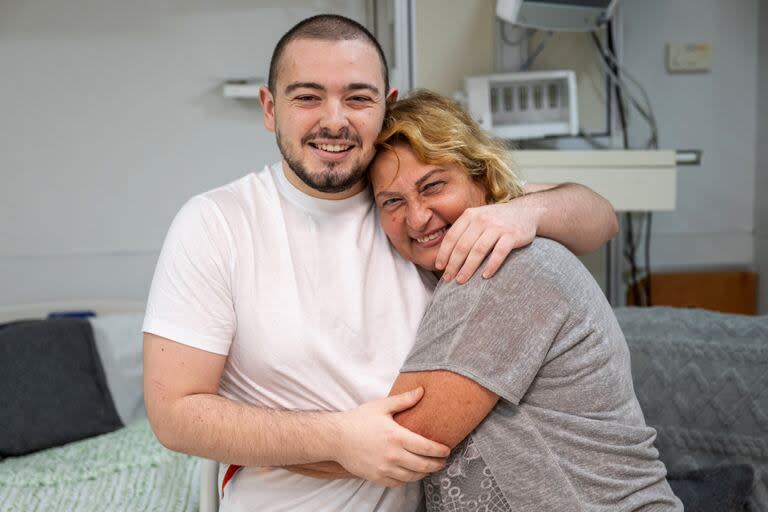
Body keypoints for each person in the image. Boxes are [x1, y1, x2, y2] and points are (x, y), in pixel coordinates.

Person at [141, 15, 619, 512]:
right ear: (270, 108)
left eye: (357, 98)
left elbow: (599, 216)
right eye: (307, 97)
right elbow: (174, 412)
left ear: (385, 106)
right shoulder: (217, 223)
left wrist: (528, 210)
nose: (334, 120)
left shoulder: (418, 213)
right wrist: (336, 439)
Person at [362, 89, 681, 510]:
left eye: (434, 185)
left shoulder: (501, 264)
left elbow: (404, 441)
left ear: (480, 176)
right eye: (393, 202)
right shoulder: (450, 254)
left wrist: (271, 449)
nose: (418, 217)